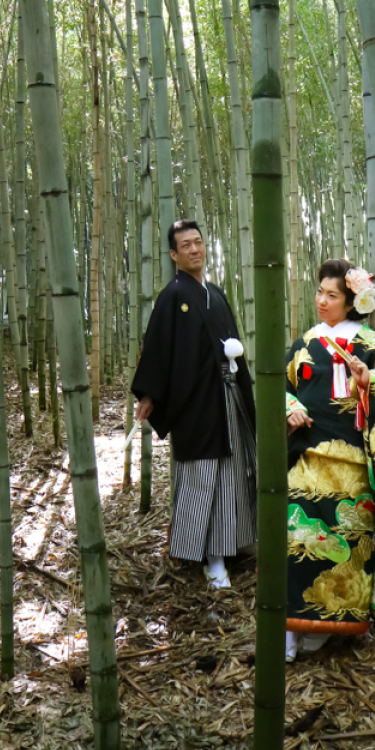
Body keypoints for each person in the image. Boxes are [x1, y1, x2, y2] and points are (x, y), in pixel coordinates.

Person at [284, 258, 375, 661]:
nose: (322, 300)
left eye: (331, 295)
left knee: (349, 541)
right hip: (308, 456)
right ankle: (292, 622)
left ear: (351, 302)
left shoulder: (370, 343)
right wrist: (289, 409)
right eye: (319, 292)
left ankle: (334, 624)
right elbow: (279, 386)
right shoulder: (305, 342)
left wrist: (368, 379)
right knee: (299, 539)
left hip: (353, 462)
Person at [131, 219, 256, 589]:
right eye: (185, 245)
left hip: (229, 394)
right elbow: (158, 347)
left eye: (198, 242)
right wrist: (150, 393)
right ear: (174, 255)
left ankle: (237, 539)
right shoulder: (173, 295)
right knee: (206, 473)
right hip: (197, 402)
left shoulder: (215, 293)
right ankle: (212, 557)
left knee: (236, 467)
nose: (194, 249)